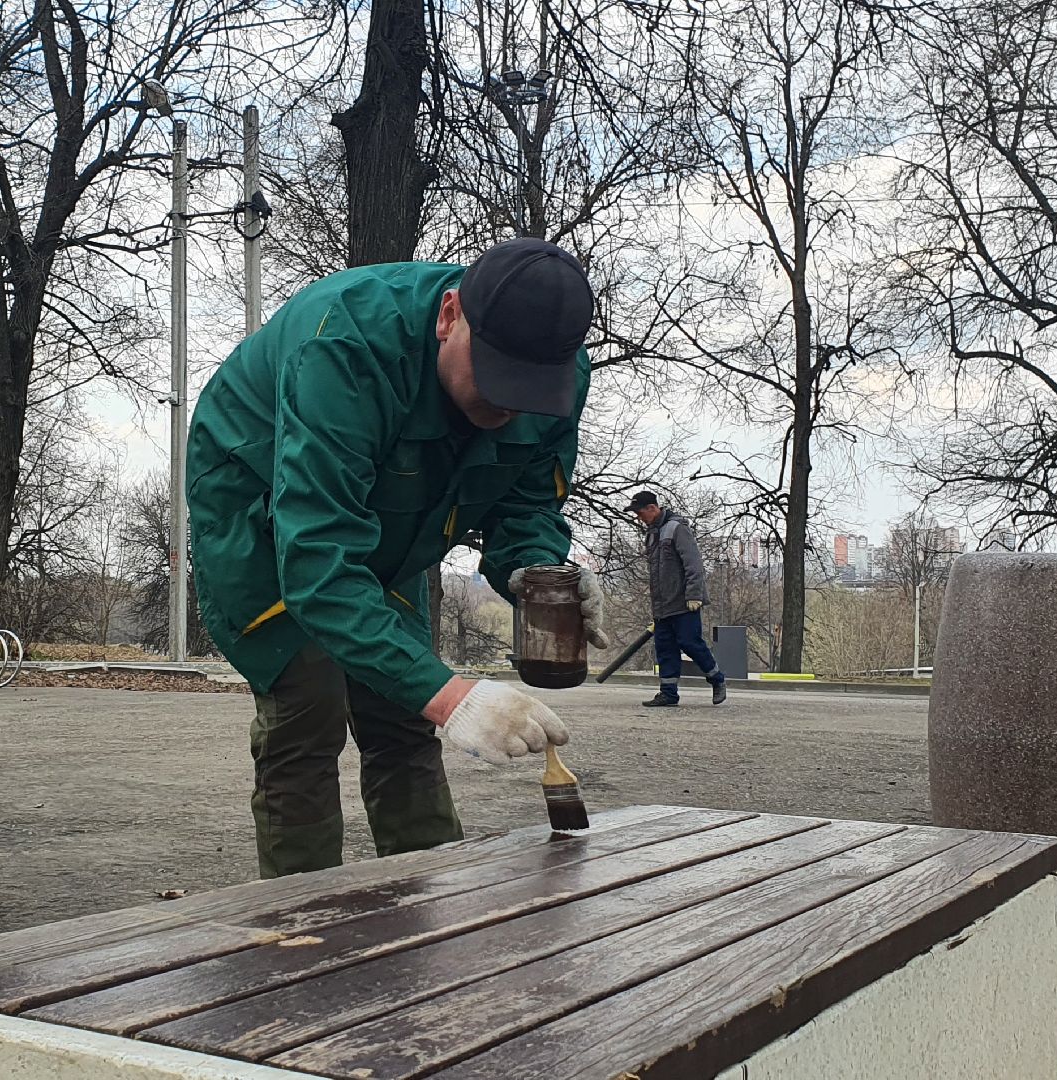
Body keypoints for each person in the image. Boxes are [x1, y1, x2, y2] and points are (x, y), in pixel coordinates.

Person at [186, 238, 618, 879]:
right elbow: (318, 561)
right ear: (449, 316)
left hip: (396, 515)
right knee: (306, 716)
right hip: (263, 510)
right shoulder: (344, 347)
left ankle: (422, 917)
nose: (507, 408)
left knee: (403, 718)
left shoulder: (555, 380)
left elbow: (526, 504)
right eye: (496, 374)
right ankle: (303, 935)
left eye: (528, 390)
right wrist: (453, 698)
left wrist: (532, 573)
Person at [626, 490, 727, 707]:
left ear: (652, 508)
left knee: (690, 643)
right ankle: (668, 693)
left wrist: (694, 595)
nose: (639, 517)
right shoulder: (652, 533)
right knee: (665, 648)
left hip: (683, 603)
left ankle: (717, 679)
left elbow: (693, 564)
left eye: (640, 513)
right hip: (663, 606)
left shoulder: (677, 528)